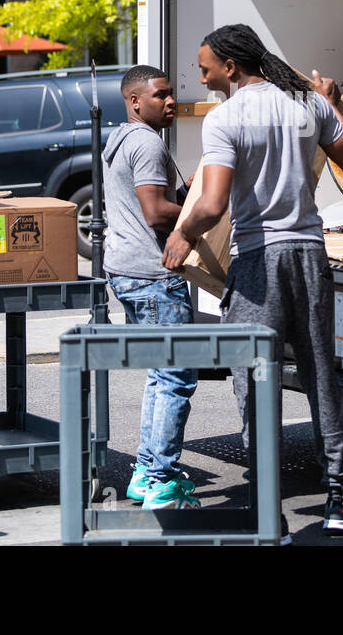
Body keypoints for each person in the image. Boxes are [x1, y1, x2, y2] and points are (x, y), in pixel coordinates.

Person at [162, 24, 343, 536]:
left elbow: (212, 205)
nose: (202, 74)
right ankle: (340, 499)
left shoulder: (226, 119)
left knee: (254, 377)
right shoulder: (308, 106)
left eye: (205, 66)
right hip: (309, 253)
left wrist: (183, 236)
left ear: (231, 68)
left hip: (259, 260)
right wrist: (333, 107)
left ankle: (266, 506)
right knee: (320, 373)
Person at [103, 64, 199, 510]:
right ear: (136, 101)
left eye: (171, 93)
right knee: (177, 377)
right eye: (160, 95)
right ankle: (159, 480)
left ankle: (146, 472)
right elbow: (157, 212)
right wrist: (201, 212)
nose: (170, 101)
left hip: (126, 271)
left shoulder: (122, 138)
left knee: (161, 375)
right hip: (153, 275)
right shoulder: (145, 143)